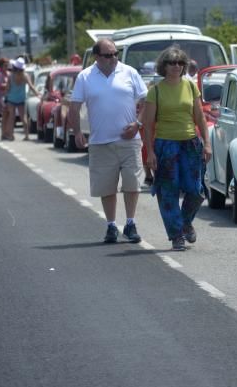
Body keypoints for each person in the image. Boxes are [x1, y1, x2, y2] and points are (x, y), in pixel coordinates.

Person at [69, 38, 148, 244]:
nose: (113, 58)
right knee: (107, 187)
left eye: (115, 53)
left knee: (132, 183)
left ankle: (130, 223)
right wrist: (77, 131)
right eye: (108, 55)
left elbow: (146, 100)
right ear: (97, 57)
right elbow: (74, 106)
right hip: (100, 141)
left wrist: (138, 124)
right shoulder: (85, 77)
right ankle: (111, 225)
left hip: (129, 139)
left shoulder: (129, 72)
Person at [141, 46, 211, 251]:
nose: (177, 66)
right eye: (172, 63)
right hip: (166, 145)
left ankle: (185, 221)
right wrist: (150, 152)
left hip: (190, 143)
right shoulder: (155, 91)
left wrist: (206, 142)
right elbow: (147, 124)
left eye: (180, 63)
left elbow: (200, 117)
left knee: (197, 191)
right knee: (168, 192)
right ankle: (176, 235)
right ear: (164, 66)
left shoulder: (190, 87)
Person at [1, 57, 39, 141]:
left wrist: (5, 96)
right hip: (21, 99)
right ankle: (27, 135)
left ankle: (11, 135)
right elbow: (31, 86)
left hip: (11, 99)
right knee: (24, 117)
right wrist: (37, 94)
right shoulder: (25, 76)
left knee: (11, 117)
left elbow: (7, 88)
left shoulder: (11, 76)